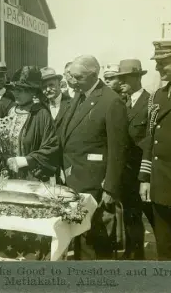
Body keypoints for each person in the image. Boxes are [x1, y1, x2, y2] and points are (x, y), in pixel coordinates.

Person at [59, 55, 129, 260]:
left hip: (95, 184)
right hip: (75, 179)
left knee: (95, 241)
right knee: (82, 236)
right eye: (70, 75)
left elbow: (118, 149)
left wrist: (110, 187)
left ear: (93, 75)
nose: (71, 80)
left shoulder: (110, 101)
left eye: (77, 77)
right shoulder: (79, 96)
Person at [139, 40, 171, 261]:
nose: (157, 68)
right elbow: (150, 139)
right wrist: (145, 178)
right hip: (161, 182)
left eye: (163, 63)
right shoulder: (158, 96)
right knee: (165, 247)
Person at [109, 59, 152, 260]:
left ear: (137, 77)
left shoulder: (150, 102)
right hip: (125, 171)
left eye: (125, 78)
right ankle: (133, 251)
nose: (121, 81)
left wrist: (146, 174)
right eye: (120, 78)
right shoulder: (122, 103)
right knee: (129, 213)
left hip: (142, 171)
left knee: (151, 216)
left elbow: (151, 140)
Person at [2, 67, 61, 182]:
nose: (15, 93)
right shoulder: (11, 111)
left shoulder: (41, 113)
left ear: (32, 91)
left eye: (20, 89)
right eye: (14, 89)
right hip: (9, 175)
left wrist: (24, 160)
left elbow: (51, 147)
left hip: (31, 177)